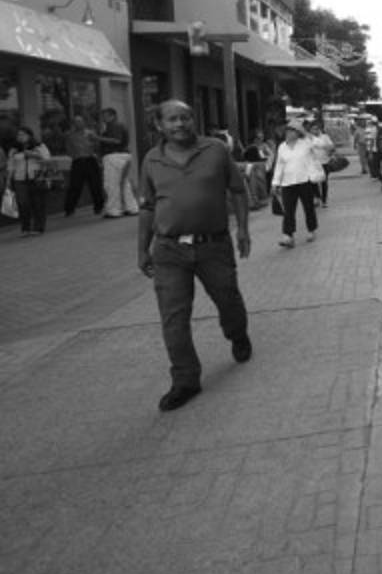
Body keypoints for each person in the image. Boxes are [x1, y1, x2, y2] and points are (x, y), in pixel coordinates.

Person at [137, 100, 252, 412]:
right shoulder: (151, 160)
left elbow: (237, 191)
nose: (180, 124)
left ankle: (237, 333)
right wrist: (141, 249)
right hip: (169, 249)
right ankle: (185, 379)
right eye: (172, 119)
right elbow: (148, 207)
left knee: (228, 299)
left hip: (213, 245)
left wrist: (242, 229)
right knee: (173, 317)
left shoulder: (215, 150)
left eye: (185, 117)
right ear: (160, 125)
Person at [271, 119, 321, 247]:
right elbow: (279, 166)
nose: (288, 133)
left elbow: (318, 144)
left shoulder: (305, 143)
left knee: (308, 207)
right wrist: (275, 183)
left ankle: (311, 230)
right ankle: (288, 236)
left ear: (298, 133)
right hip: (287, 183)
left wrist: (305, 132)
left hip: (304, 180)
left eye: (291, 130)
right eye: (287, 130)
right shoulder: (282, 147)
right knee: (288, 210)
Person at [5, 126, 52, 236]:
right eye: (18, 135)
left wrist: (34, 155)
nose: (20, 137)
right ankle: (25, 228)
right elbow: (11, 165)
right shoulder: (14, 149)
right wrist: (8, 180)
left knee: (38, 203)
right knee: (23, 204)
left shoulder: (39, 146)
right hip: (19, 179)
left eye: (22, 135)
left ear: (29, 135)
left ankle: (38, 227)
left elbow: (47, 160)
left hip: (36, 177)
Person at [96, 107, 139, 217]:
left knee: (111, 183)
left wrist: (97, 138)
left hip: (114, 156)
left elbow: (116, 140)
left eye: (105, 116)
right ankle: (131, 207)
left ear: (112, 116)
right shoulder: (118, 126)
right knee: (124, 183)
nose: (103, 118)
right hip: (123, 156)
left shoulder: (114, 126)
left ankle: (114, 210)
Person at [62, 115, 104, 217]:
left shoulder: (90, 133)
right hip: (78, 161)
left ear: (84, 122)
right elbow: (68, 149)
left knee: (95, 185)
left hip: (90, 160)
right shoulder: (70, 135)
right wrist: (75, 155)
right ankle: (69, 209)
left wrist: (95, 153)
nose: (79, 124)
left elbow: (98, 145)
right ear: (73, 124)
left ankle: (99, 207)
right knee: (75, 186)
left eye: (80, 122)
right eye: (76, 122)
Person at [307, 120, 336, 206]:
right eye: (313, 129)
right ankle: (317, 197)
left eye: (317, 129)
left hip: (324, 162)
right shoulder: (308, 139)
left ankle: (324, 200)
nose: (315, 131)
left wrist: (329, 150)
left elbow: (331, 146)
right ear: (310, 130)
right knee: (313, 181)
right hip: (313, 164)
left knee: (324, 182)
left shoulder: (325, 137)